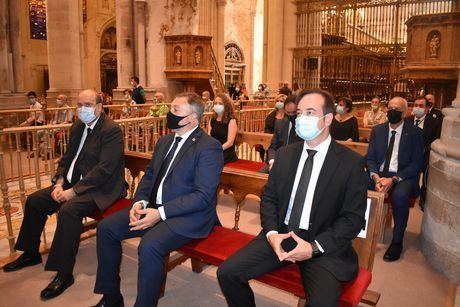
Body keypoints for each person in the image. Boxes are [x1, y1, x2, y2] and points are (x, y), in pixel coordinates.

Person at [217, 89, 368, 307]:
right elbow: (269, 199)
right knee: (228, 273)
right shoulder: (286, 154)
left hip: (322, 245)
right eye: (299, 113)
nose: (301, 118)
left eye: (309, 112)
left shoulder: (351, 163)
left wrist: (314, 248)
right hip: (281, 234)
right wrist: (271, 234)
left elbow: (352, 219)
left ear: (327, 119)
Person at [92, 92, 224, 307]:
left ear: (192, 118)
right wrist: (140, 202)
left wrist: (160, 214)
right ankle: (111, 297)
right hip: (153, 208)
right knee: (106, 228)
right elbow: (151, 175)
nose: (168, 114)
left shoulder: (208, 147)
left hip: (189, 215)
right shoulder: (165, 141)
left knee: (150, 245)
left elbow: (203, 196)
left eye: (175, 110)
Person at [3, 89, 126, 300]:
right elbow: (67, 157)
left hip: (101, 188)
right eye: (79, 105)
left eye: (86, 105)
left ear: (99, 107)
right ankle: (31, 253)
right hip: (72, 182)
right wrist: (59, 182)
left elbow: (104, 170)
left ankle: (64, 273)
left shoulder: (111, 130)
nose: (81, 109)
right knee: (35, 201)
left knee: (69, 210)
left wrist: (73, 192)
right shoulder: (78, 125)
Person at [366, 97, 424, 262]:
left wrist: (393, 179)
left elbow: (417, 163)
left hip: (402, 175)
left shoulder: (415, 133)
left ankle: (397, 241)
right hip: (379, 173)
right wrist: (376, 177)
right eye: (390, 108)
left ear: (404, 113)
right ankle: (358, 232)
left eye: (397, 109)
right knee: (356, 185)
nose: (392, 112)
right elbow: (370, 158)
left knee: (399, 196)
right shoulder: (378, 130)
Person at [410, 96, 443, 209]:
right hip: (409, 154)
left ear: (427, 109)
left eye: (421, 106)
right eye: (416, 105)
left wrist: (425, 150)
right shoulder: (407, 120)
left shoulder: (434, 122)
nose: (417, 108)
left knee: (427, 174)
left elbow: (436, 140)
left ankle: (423, 198)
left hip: (425, 154)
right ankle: (412, 191)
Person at [259, 95, 301, 173]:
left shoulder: (304, 127)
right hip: (278, 161)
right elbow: (273, 148)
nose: (291, 115)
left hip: (296, 165)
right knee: (260, 174)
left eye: (294, 113)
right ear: (284, 110)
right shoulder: (280, 124)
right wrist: (272, 161)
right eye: (288, 113)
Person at [209, 93, 238, 164]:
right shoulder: (212, 119)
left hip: (226, 152)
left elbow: (230, 142)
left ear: (226, 105)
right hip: (214, 150)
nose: (217, 105)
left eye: (220, 103)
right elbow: (209, 137)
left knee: (209, 162)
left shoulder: (232, 120)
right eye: (215, 103)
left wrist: (217, 149)